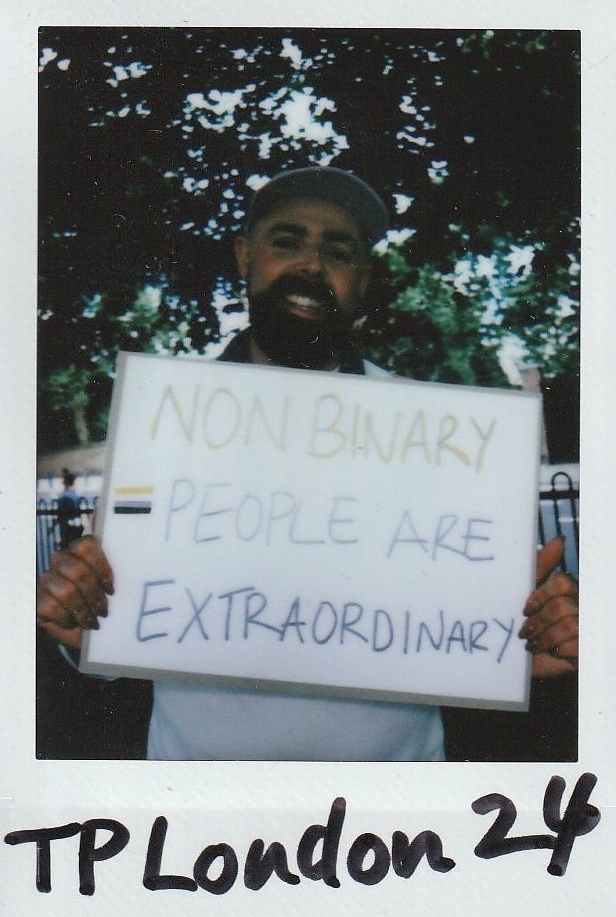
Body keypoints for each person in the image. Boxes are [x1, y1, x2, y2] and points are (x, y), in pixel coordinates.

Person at [36, 167, 579, 760]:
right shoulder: (163, 423)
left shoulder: (438, 440)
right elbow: (122, 620)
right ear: (244, 255)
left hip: (392, 818)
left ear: (365, 280)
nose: (312, 266)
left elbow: (477, 634)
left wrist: (535, 637)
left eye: (339, 252)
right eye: (286, 241)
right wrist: (80, 629)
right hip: (203, 811)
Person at [54, 468, 84, 550]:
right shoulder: (76, 496)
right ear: (73, 483)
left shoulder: (61, 496)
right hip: (75, 527)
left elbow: (59, 514)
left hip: (65, 528)